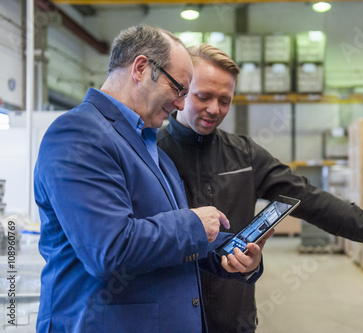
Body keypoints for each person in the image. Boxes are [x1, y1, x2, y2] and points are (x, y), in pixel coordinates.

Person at [157, 43, 363, 333]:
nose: (214, 109)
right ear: (183, 91)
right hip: (170, 319)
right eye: (204, 96)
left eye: (225, 100)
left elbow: (309, 199)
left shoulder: (244, 156)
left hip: (234, 319)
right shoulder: (152, 153)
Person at [33, 25, 268, 333]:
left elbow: (167, 240)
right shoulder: (78, 135)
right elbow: (110, 249)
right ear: (141, 68)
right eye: (178, 89)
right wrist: (194, 224)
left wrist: (235, 254)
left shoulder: (148, 145)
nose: (181, 104)